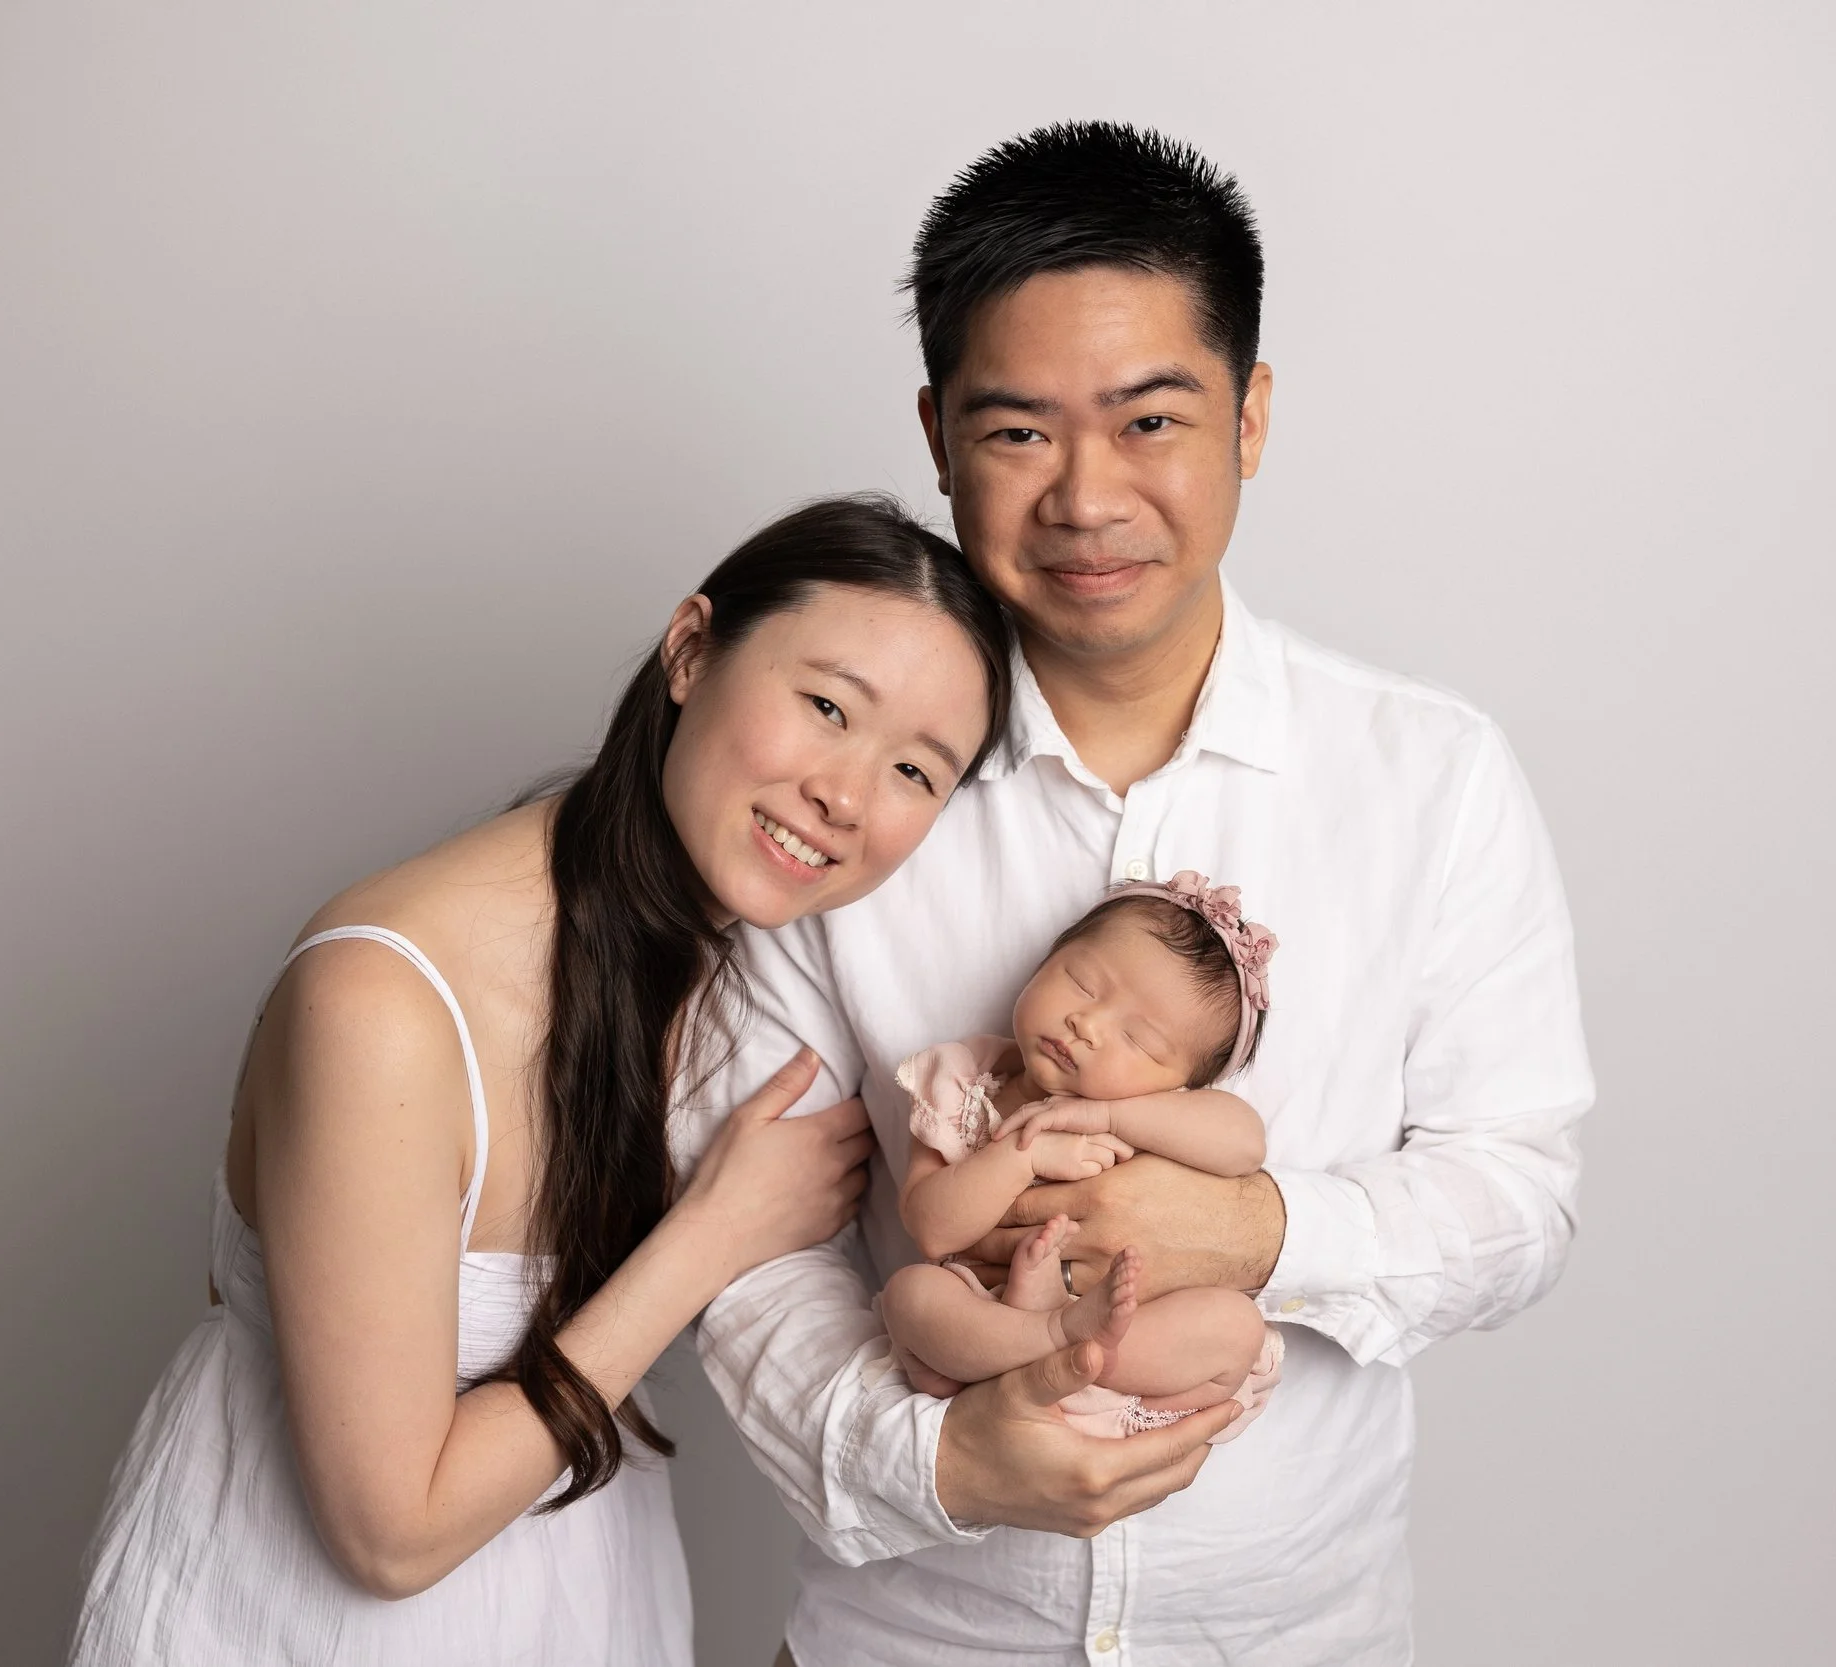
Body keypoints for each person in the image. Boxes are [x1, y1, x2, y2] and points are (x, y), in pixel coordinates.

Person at [683, 124, 1596, 1665]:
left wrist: (1258, 1226)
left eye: (1150, 420)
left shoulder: (1428, 774)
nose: (1087, 499)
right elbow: (746, 1241)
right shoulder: (838, 796)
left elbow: (1517, 1192)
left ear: (1248, 417)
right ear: (937, 434)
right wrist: (938, 1463)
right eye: (1020, 432)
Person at [69, 496, 1011, 1666]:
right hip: (294, 1619)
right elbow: (388, 1533)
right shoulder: (381, 1004)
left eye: (916, 770)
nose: (848, 794)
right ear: (689, 649)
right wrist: (711, 1234)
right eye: (826, 706)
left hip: (580, 1595)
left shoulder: (748, 983)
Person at [878, 873, 1283, 1440]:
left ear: (1182, 1084)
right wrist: (1024, 1156)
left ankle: (1079, 1357)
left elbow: (1247, 1144)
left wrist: (1107, 1116)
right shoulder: (965, 1082)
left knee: (1234, 1329)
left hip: (1120, 1335)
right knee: (912, 1297)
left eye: (1139, 1042)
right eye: (1082, 983)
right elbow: (932, 1230)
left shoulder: (1157, 1113)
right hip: (992, 1318)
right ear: (1046, 959)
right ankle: (1051, 1336)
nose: (1087, 1024)